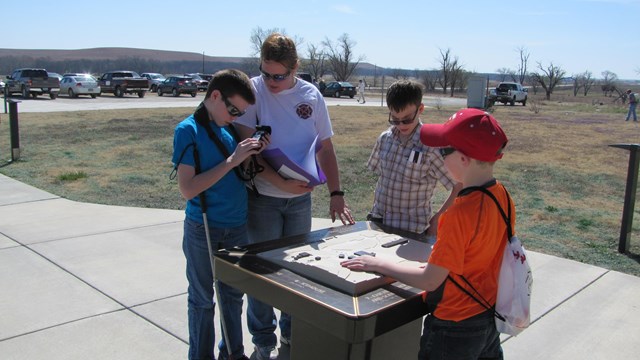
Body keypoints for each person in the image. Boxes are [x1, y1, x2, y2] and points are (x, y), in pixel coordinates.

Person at [342, 108, 512, 360]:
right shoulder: (501, 196)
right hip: (487, 317)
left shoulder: (458, 214)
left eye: (444, 151)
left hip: (453, 326)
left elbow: (431, 280)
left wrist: (377, 263)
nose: (439, 156)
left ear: (464, 159)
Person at [235, 32, 355, 360]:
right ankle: (263, 343)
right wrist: (278, 181)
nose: (271, 81)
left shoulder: (311, 96)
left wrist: (336, 192)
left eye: (280, 75)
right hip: (263, 200)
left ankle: (292, 337)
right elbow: (248, 150)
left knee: (297, 273)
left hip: (300, 200)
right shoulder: (253, 91)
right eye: (266, 72)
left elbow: (325, 147)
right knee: (262, 275)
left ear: (295, 68)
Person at [172, 69, 267, 360]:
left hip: (237, 225)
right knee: (202, 300)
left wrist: (249, 154)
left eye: (242, 112)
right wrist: (231, 160)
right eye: (234, 109)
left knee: (233, 297)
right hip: (205, 227)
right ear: (215, 96)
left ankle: (232, 354)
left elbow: (236, 171)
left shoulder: (228, 128)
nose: (237, 117)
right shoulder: (188, 130)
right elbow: (187, 189)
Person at [367, 80, 461, 241]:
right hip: (379, 222)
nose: (401, 124)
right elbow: (383, 179)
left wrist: (439, 218)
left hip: (411, 230)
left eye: (407, 119)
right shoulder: (384, 139)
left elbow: (460, 186)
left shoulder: (431, 146)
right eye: (395, 119)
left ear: (421, 109)